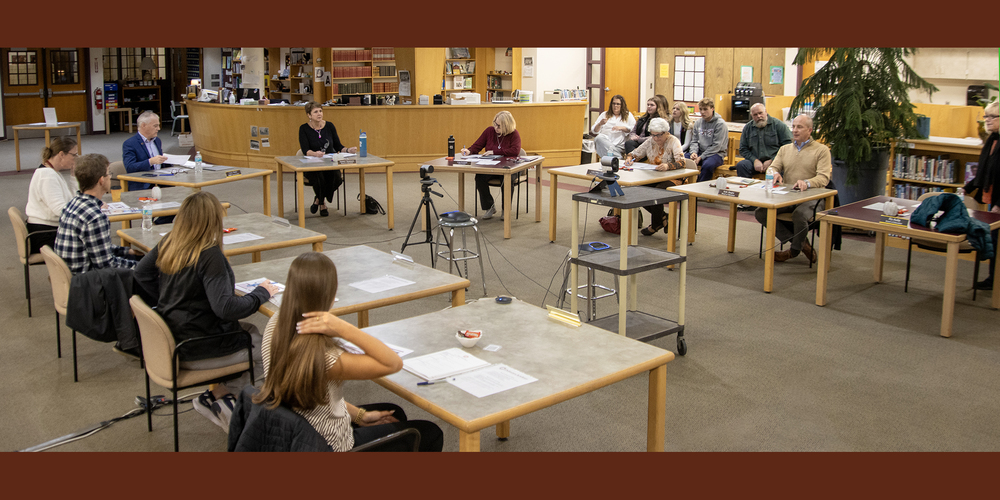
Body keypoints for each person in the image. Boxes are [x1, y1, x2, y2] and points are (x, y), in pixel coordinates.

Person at [255, 252, 444, 452]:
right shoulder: (325, 359)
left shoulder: (276, 323)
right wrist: (342, 327)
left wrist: (361, 416)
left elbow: (318, 398)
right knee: (430, 432)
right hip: (329, 445)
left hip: (295, 430)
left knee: (395, 412)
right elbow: (393, 363)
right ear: (330, 293)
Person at [133, 191, 281, 430]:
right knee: (272, 351)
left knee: (252, 332)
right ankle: (227, 402)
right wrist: (262, 293)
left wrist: (171, 296)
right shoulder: (209, 254)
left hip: (174, 337)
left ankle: (216, 395)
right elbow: (226, 308)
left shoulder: (170, 241)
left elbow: (141, 272)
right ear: (213, 221)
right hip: (199, 346)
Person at [755, 114, 832, 263]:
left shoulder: (822, 150)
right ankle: (802, 245)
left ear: (809, 130)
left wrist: (807, 182)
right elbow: (772, 168)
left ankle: (793, 251)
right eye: (794, 127)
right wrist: (774, 173)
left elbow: (824, 178)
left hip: (813, 198)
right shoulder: (785, 149)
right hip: (789, 196)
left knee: (799, 215)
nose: (795, 130)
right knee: (761, 213)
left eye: (799, 127)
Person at [54, 154, 142, 274]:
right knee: (152, 274)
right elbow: (106, 266)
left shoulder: (72, 205)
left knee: (138, 259)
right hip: (88, 282)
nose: (110, 177)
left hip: (72, 276)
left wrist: (126, 251)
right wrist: (143, 268)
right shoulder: (95, 217)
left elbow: (97, 246)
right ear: (101, 180)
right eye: (108, 174)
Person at [623, 118, 686, 236]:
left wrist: (668, 166)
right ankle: (662, 217)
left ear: (666, 133)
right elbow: (635, 153)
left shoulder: (673, 141)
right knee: (635, 190)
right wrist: (629, 158)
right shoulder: (651, 141)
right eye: (653, 135)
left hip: (673, 178)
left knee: (655, 193)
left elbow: (682, 162)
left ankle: (656, 223)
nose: (656, 138)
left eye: (659, 135)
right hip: (654, 176)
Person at [963, 100, 1000, 290]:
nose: (987, 120)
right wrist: (967, 188)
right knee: (993, 238)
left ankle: (994, 280)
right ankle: (992, 279)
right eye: (986, 116)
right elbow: (984, 172)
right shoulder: (991, 140)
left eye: (993, 116)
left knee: (996, 239)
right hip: (992, 195)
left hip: (999, 199)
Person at [299, 101, 357, 217]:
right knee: (319, 178)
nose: (319, 114)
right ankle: (322, 204)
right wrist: (315, 154)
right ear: (309, 115)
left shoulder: (329, 126)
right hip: (312, 163)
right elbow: (305, 150)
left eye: (320, 111)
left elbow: (338, 146)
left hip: (330, 162)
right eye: (315, 112)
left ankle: (318, 199)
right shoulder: (304, 129)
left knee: (337, 178)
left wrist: (348, 150)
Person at [461, 110, 522, 220]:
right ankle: (489, 207)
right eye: (495, 123)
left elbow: (515, 151)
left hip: (509, 167)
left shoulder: (514, 134)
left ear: (507, 126)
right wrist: (469, 151)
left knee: (506, 180)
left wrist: (495, 152)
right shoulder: (489, 131)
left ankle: (505, 209)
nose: (495, 127)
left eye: (499, 125)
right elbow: (477, 145)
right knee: (479, 178)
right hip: (491, 167)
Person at [25, 137, 78, 254]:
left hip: (49, 229)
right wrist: (86, 212)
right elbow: (60, 211)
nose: (76, 159)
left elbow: (72, 200)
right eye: (74, 155)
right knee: (87, 244)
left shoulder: (53, 172)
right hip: (44, 235)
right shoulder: (47, 176)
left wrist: (74, 176)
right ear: (61, 154)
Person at [735, 103, 793, 179]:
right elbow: (743, 149)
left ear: (766, 112)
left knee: (783, 169)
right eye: (755, 115)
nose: (759, 116)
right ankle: (746, 188)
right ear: (752, 116)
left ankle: (776, 189)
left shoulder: (779, 126)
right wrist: (754, 160)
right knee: (741, 165)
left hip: (775, 161)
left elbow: (787, 147)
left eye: (760, 113)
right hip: (754, 162)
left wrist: (772, 161)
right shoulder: (748, 128)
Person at [122, 111, 168, 191]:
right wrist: (150, 162)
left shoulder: (157, 141)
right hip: (144, 184)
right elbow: (130, 167)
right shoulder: (130, 144)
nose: (159, 129)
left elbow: (160, 163)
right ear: (144, 125)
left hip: (161, 180)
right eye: (155, 126)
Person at [689, 98, 729, 182]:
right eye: (700, 109)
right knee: (684, 160)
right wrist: (693, 152)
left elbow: (716, 146)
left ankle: (699, 188)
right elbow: (694, 141)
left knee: (707, 165)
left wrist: (701, 157)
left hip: (716, 153)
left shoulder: (720, 124)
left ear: (712, 109)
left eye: (705, 109)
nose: (702, 112)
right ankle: (684, 184)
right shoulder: (698, 123)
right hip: (700, 152)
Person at [591, 94, 636, 159]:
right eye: (613, 104)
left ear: (622, 105)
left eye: (618, 104)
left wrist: (622, 128)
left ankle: (614, 157)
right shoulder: (604, 114)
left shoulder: (628, 115)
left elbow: (633, 130)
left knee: (607, 151)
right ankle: (618, 158)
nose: (615, 106)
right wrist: (600, 124)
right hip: (605, 144)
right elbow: (594, 131)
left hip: (619, 145)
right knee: (598, 138)